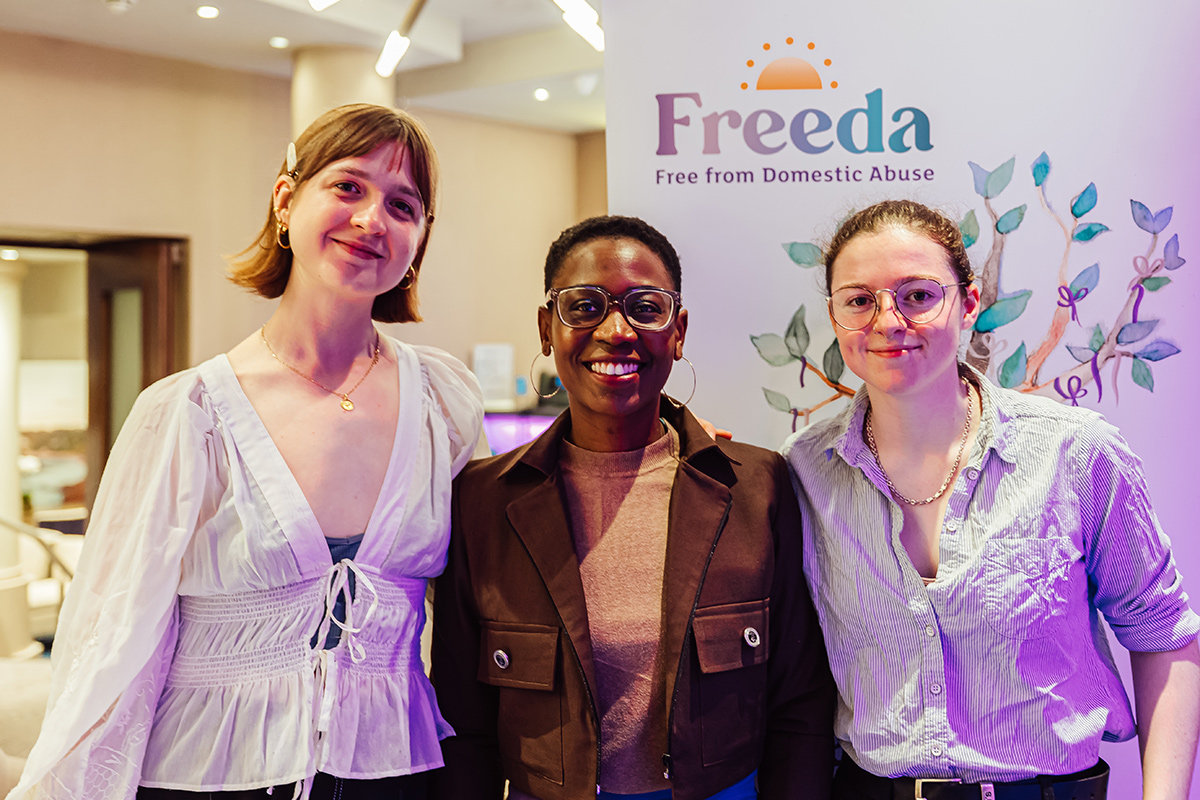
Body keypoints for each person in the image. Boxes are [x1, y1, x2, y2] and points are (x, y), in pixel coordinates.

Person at [8, 104, 484, 800]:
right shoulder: (187, 414)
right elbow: (111, 641)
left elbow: (481, 603)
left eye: (402, 204)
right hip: (210, 777)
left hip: (397, 774)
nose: (372, 219)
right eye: (348, 186)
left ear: (420, 237)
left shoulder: (444, 401)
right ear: (286, 201)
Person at [781, 199, 1200, 799]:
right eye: (859, 300)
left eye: (918, 295)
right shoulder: (802, 470)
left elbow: (1164, 636)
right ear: (834, 315)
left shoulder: (1074, 451)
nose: (888, 321)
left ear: (970, 303)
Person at [429, 215, 836, 800]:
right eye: (584, 307)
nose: (616, 331)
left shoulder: (757, 488)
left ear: (678, 331)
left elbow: (799, 705)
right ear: (547, 328)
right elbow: (462, 726)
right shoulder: (483, 501)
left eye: (645, 308)